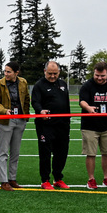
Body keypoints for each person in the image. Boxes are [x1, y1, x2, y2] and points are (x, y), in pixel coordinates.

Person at [78, 60, 107, 189]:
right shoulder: (87, 85)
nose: (99, 78)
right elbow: (82, 101)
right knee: (91, 154)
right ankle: (91, 179)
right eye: (97, 75)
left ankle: (106, 178)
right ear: (94, 73)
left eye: (102, 76)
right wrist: (88, 108)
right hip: (90, 126)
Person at [32, 61, 71, 190]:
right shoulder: (39, 85)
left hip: (62, 125)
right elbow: (35, 102)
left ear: (59, 72)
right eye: (50, 73)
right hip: (46, 125)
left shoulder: (63, 84)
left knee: (62, 152)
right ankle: (45, 180)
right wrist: (40, 111)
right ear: (45, 71)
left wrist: (68, 120)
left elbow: (66, 103)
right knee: (45, 153)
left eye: (55, 73)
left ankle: (58, 178)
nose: (53, 76)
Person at [0, 60, 29, 190]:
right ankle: (4, 181)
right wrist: (5, 111)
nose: (6, 74)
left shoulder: (23, 82)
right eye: (5, 71)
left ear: (16, 72)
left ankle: (12, 179)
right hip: (5, 120)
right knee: (3, 152)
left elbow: (27, 100)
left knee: (15, 152)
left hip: (20, 120)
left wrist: (25, 116)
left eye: (9, 72)